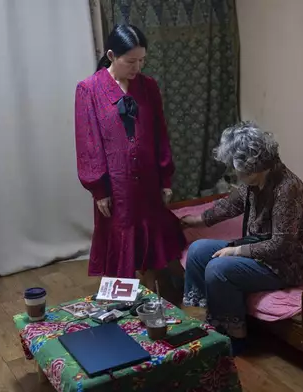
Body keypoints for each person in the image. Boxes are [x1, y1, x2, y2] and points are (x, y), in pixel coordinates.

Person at [181, 121, 303, 355]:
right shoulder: (254, 182)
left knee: (218, 268)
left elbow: (281, 244)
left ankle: (236, 337)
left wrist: (236, 251)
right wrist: (196, 219)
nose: (238, 176)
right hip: (257, 249)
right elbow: (230, 205)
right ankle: (212, 320)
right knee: (198, 250)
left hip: (283, 264)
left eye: (240, 171)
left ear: (255, 165)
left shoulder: (287, 189)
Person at [74, 24, 186, 290]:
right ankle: (121, 306)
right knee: (120, 238)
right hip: (116, 185)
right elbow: (88, 143)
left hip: (149, 180)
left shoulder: (148, 87)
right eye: (131, 61)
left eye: (142, 60)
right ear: (112, 56)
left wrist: (165, 178)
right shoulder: (88, 90)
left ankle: (155, 300)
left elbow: (160, 133)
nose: (137, 67)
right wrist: (99, 189)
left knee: (152, 245)